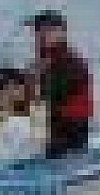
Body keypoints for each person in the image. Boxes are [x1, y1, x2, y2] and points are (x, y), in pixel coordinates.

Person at [23, 11, 93, 158]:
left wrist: (33, 79)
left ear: (62, 33)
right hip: (50, 124)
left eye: (49, 30)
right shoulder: (45, 59)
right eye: (38, 30)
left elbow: (48, 95)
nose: (42, 35)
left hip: (69, 131)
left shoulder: (70, 62)